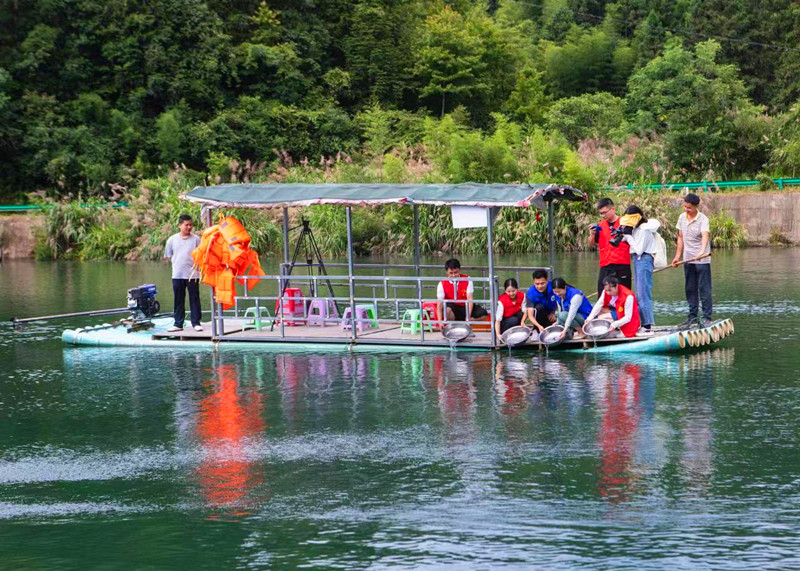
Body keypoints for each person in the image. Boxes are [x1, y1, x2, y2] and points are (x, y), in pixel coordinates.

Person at [671, 193, 712, 327]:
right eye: (685, 206)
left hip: (702, 260)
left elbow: (705, 236)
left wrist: (701, 252)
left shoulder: (703, 219)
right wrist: (677, 257)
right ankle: (692, 317)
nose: (686, 209)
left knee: (704, 289)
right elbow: (680, 238)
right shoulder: (682, 218)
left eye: (689, 207)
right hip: (688, 260)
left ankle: (707, 318)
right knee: (690, 288)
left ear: (696, 207)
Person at [619, 205, 661, 333]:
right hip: (638, 261)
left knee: (643, 293)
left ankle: (647, 325)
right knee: (639, 293)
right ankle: (643, 323)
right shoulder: (636, 229)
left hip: (644, 260)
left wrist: (629, 238)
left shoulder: (643, 229)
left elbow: (639, 250)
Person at [164, 214, 202, 332]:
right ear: (180, 225)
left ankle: (196, 322)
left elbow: (201, 256)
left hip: (193, 274)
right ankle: (178, 324)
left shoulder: (196, 239)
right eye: (186, 225)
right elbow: (168, 256)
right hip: (177, 275)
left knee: (194, 298)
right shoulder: (172, 239)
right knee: (178, 299)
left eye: (191, 225)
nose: (189, 227)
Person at [589, 197, 632, 297]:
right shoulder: (600, 226)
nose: (603, 215)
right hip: (606, 266)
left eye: (605, 212)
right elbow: (591, 245)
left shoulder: (625, 223)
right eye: (601, 213)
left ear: (613, 209)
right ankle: (604, 312)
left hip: (622, 265)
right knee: (602, 296)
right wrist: (591, 234)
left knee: (624, 296)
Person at [436, 258, 488, 322]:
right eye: (451, 273)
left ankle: (471, 320)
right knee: (447, 310)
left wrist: (468, 317)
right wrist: (439, 322)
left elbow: (470, 299)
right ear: (447, 272)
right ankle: (451, 324)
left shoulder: (467, 279)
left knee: (483, 313)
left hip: (465, 306)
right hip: (452, 307)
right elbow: (439, 304)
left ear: (459, 270)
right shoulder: (442, 283)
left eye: (456, 272)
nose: (453, 275)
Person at [521, 269, 557, 333]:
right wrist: (538, 326)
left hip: (551, 314)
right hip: (539, 317)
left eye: (542, 283)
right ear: (533, 282)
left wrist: (553, 313)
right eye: (537, 284)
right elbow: (530, 315)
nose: (539, 286)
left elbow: (560, 298)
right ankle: (537, 330)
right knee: (539, 307)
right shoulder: (530, 293)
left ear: (547, 280)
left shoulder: (554, 285)